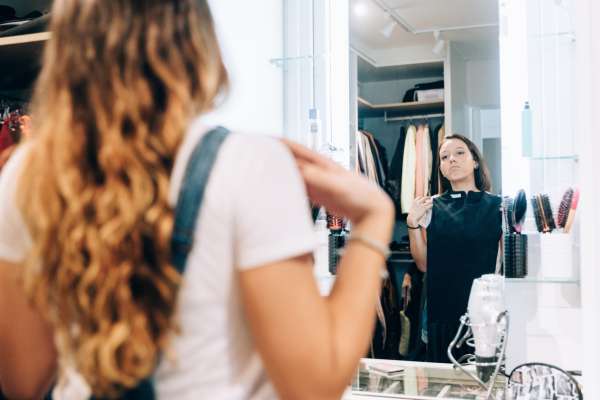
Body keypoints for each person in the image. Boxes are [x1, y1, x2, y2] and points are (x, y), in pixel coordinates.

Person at [0, 1, 394, 399]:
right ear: (198, 44)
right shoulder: (247, 165)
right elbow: (314, 385)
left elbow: (24, 381)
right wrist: (375, 217)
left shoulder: (26, 173)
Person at [406, 134, 502, 363]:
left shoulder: (498, 206)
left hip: (483, 313)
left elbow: (505, 265)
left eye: (460, 153)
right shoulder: (431, 206)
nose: (452, 160)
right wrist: (412, 222)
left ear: (475, 161)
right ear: (440, 167)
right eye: (445, 157)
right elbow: (422, 264)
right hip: (441, 311)